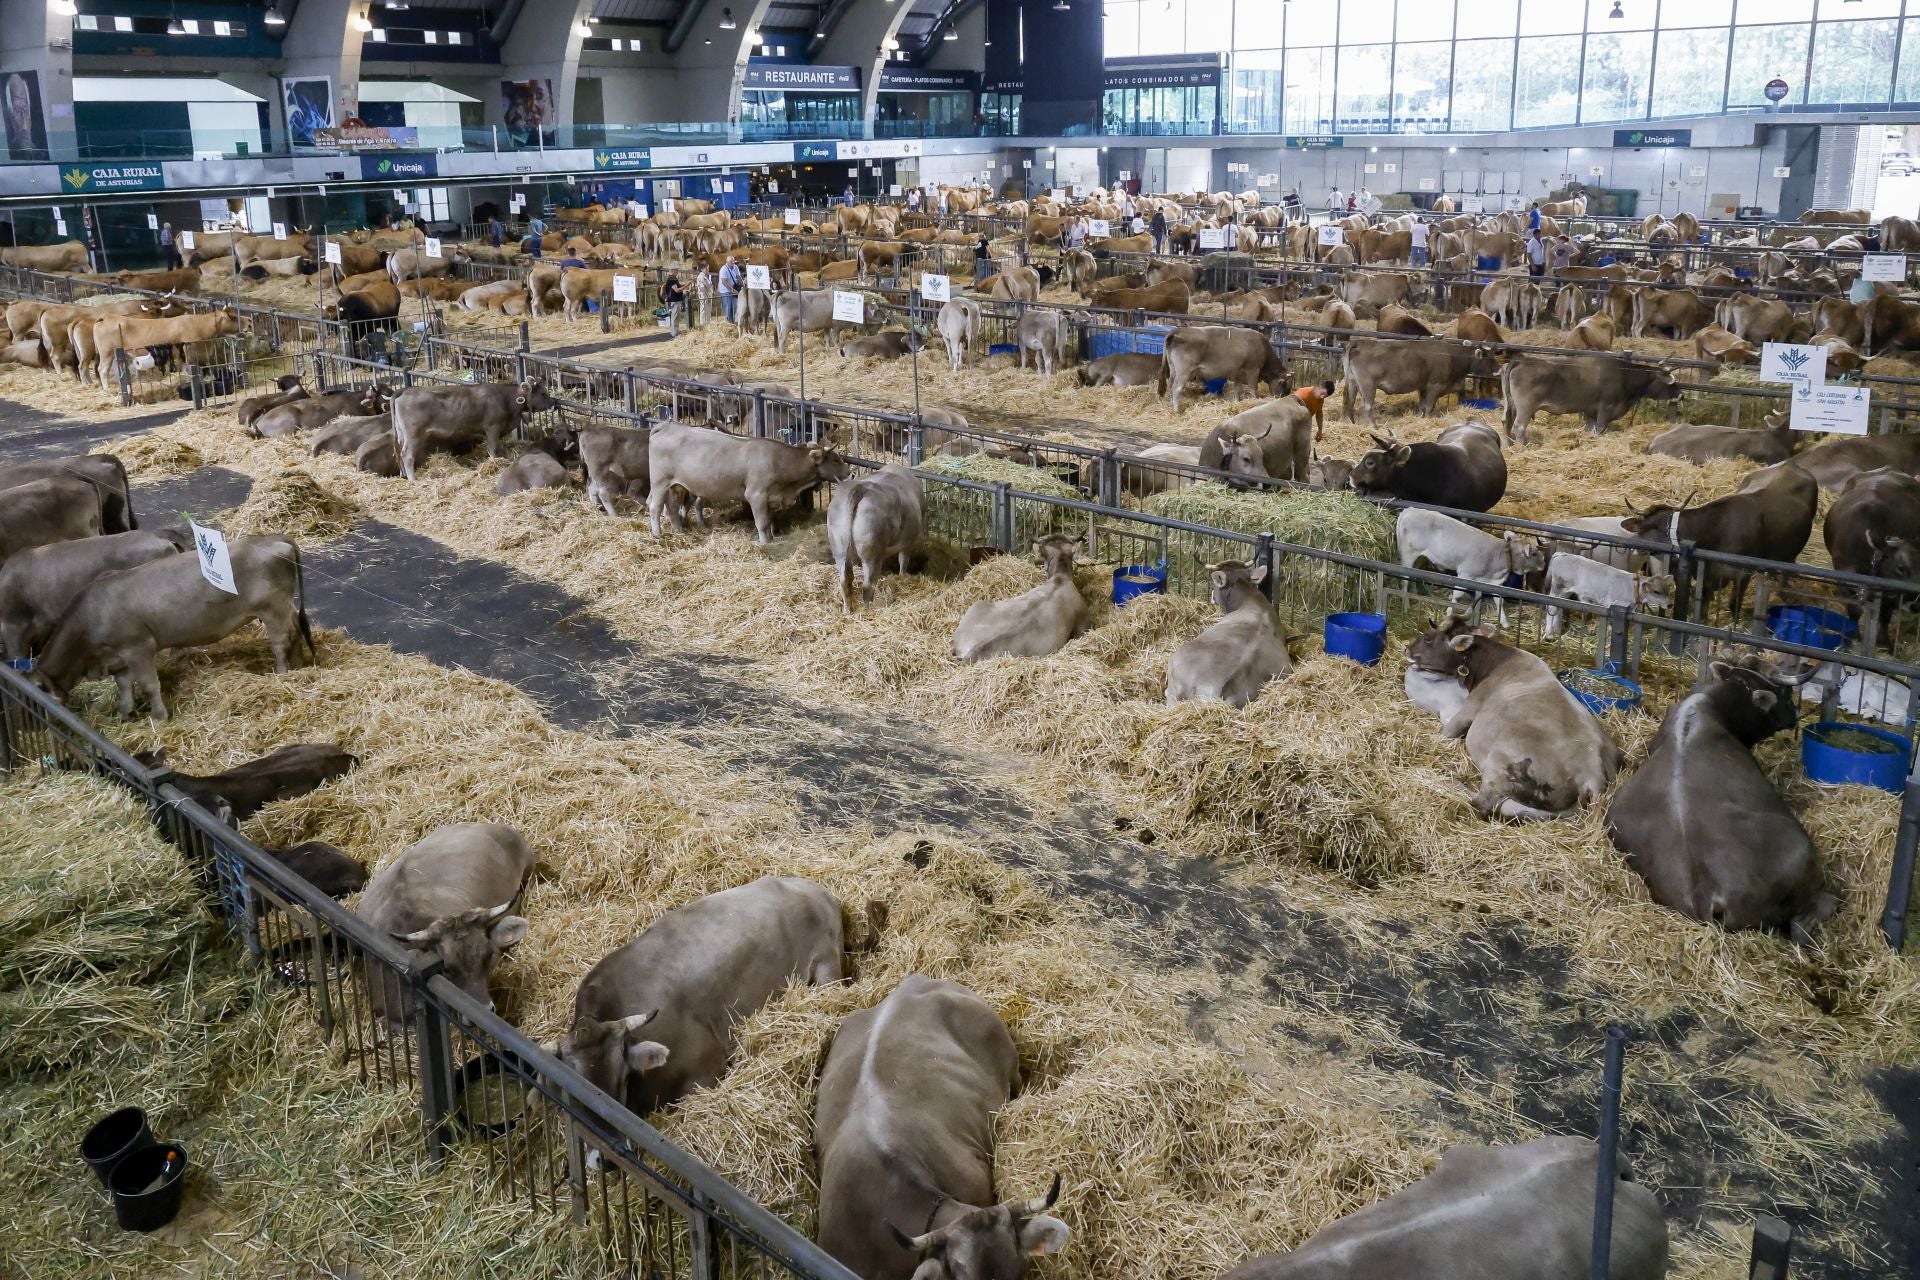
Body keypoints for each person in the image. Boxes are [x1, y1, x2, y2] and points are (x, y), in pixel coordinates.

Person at [718, 254, 744, 324]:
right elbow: (724, 281)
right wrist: (732, 290)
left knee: (735, 307)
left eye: (733, 261)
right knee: (728, 307)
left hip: (734, 290)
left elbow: (739, 277)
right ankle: (728, 323)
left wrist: (743, 285)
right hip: (726, 291)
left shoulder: (735, 267)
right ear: (727, 262)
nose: (733, 262)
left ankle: (733, 322)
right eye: (731, 261)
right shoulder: (723, 269)